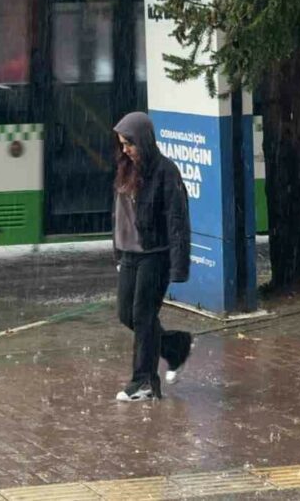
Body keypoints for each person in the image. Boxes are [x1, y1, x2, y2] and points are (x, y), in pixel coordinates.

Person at [112, 112, 194, 402]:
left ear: (144, 141)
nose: (125, 150)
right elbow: (121, 216)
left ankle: (144, 381)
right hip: (130, 254)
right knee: (127, 314)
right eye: (122, 144)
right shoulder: (126, 168)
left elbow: (177, 222)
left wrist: (179, 265)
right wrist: (118, 252)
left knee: (144, 315)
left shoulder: (166, 172)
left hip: (154, 255)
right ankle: (175, 346)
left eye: (130, 144)